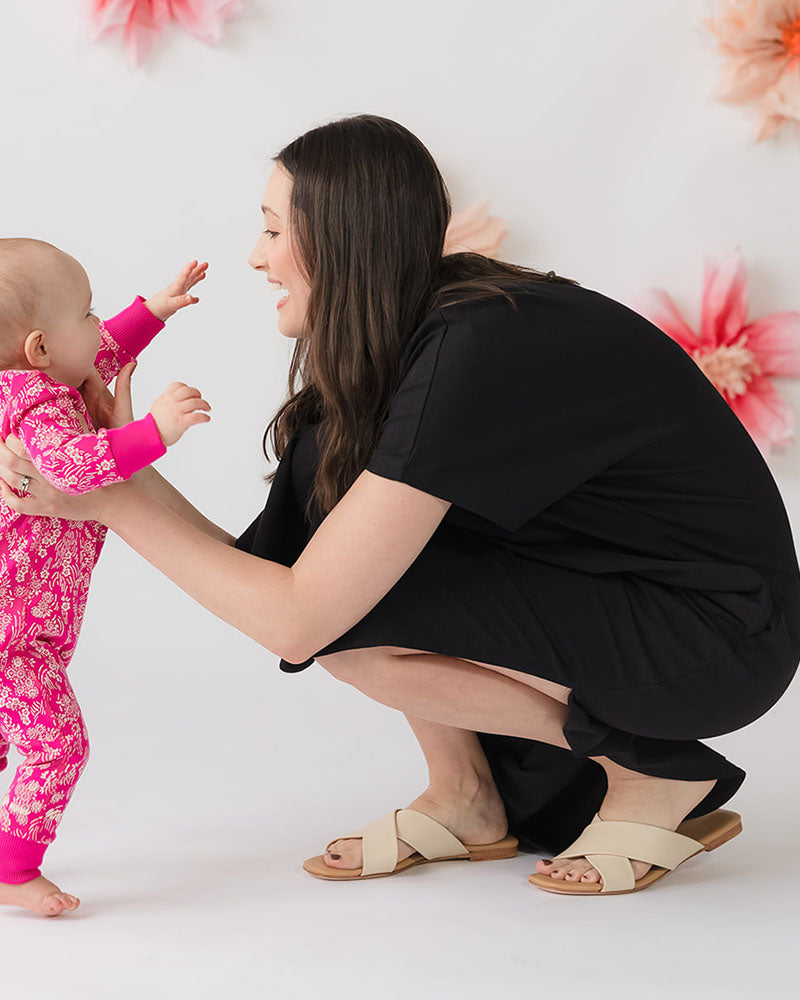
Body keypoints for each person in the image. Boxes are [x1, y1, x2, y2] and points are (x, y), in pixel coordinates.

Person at [1, 115, 798, 899]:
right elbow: (272, 579)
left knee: (346, 622)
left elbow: (297, 619)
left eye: (275, 232)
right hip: (611, 584)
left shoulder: (472, 350)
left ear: (341, 238)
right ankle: (467, 799)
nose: (256, 257)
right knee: (339, 551)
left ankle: (650, 772)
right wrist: (114, 478)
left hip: (716, 628)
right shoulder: (402, 346)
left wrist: (105, 498)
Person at [0, 239, 211, 915]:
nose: (100, 325)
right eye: (88, 312)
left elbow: (96, 354)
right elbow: (73, 468)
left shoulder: (38, 381)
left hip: (29, 623)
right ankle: (13, 871)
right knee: (58, 744)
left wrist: (152, 310)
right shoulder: (37, 405)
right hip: (13, 636)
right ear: (38, 348)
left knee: (18, 743)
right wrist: (154, 431)